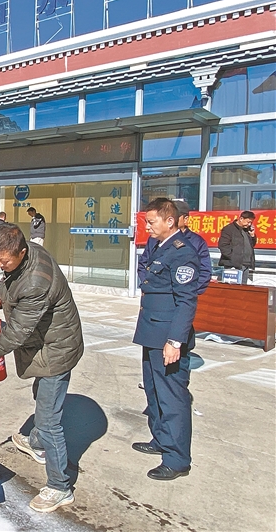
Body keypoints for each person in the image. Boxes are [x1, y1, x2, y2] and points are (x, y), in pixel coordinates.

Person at [0, 223, 83, 513]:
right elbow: (8, 278)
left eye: (4, 261)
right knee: (42, 397)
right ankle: (37, 442)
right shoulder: (24, 253)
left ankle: (60, 487)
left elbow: (15, 336)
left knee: (49, 421)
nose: (0, 266)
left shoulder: (36, 283)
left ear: (21, 252)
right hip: (46, 344)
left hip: (57, 349)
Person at [132, 198, 199, 481]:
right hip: (151, 332)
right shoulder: (159, 246)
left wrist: (175, 341)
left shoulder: (183, 253)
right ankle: (161, 439)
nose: (147, 227)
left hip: (167, 338)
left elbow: (186, 301)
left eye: (151, 222)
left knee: (172, 398)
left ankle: (177, 459)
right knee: (154, 392)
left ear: (169, 221)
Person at [139, 199, 211, 296]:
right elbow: (143, 264)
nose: (148, 227)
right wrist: (148, 286)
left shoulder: (196, 242)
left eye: (177, 215)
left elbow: (204, 272)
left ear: (185, 219)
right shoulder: (154, 239)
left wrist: (189, 291)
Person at [218, 210, 257, 283]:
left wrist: (252, 236)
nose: (249, 224)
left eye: (251, 223)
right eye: (248, 222)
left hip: (246, 265)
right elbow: (223, 245)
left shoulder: (247, 230)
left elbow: (252, 245)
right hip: (233, 265)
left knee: (243, 288)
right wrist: (233, 258)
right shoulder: (229, 229)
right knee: (233, 287)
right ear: (241, 219)